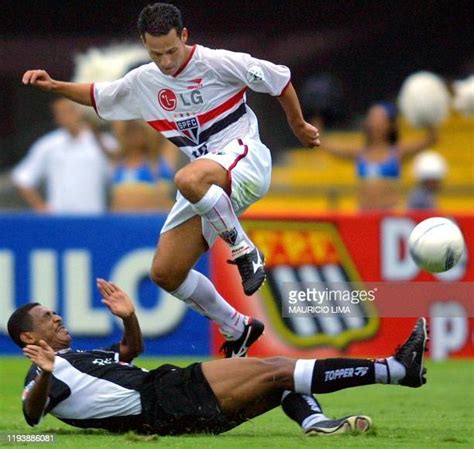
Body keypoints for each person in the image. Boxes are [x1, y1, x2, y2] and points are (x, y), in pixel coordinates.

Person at [21, 3, 320, 356]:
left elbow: (278, 78)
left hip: (245, 160)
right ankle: (237, 327)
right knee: (165, 272)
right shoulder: (144, 82)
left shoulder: (217, 62)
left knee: (186, 178)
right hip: (208, 185)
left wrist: (298, 124)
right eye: (155, 53)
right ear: (145, 46)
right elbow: (99, 96)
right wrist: (54, 84)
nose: (165, 61)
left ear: (185, 36)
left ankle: (244, 249)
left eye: (171, 51)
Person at [7, 279, 429, 436]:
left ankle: (316, 423)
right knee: (274, 368)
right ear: (29, 335)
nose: (57, 316)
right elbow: (30, 418)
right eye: (47, 316)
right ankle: (396, 370)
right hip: (164, 397)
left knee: (274, 378)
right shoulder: (48, 370)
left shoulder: (79, 358)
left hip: (167, 411)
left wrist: (130, 318)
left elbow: (129, 352)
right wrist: (43, 375)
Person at [319, 102, 438, 210]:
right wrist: (317, 119)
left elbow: (430, 140)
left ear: (390, 125)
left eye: (380, 118)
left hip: (390, 213)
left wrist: (426, 116)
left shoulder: (398, 152)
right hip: (364, 214)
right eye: (372, 118)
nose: (375, 123)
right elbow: (326, 146)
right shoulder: (359, 152)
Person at [11, 98, 116, 214]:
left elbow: (117, 177)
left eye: (68, 112)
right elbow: (23, 178)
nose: (64, 117)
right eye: (59, 113)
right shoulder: (48, 145)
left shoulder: (103, 143)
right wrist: (41, 209)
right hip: (59, 220)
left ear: (79, 112)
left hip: (94, 218)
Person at [110, 120, 174, 212]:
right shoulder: (117, 162)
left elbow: (170, 130)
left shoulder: (157, 162)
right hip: (121, 221)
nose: (135, 137)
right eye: (131, 132)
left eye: (139, 132)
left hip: (150, 221)